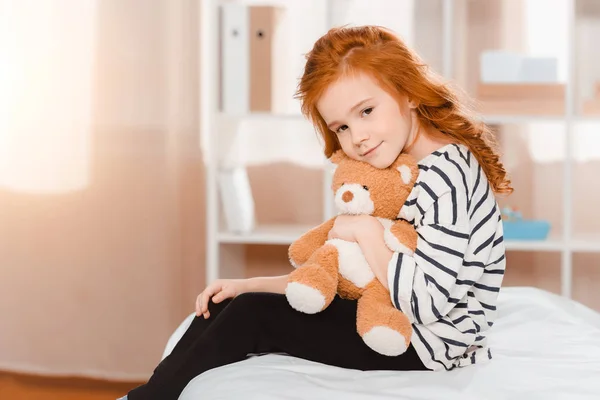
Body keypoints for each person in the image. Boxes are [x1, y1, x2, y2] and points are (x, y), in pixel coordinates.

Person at [122, 25, 512, 400]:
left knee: (252, 316)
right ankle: (148, 395)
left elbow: (425, 304)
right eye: (341, 126)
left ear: (408, 92)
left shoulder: (447, 177)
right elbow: (348, 272)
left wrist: (365, 231)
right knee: (232, 304)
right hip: (392, 314)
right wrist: (250, 283)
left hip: (428, 345)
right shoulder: (405, 163)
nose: (357, 137)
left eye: (366, 111)